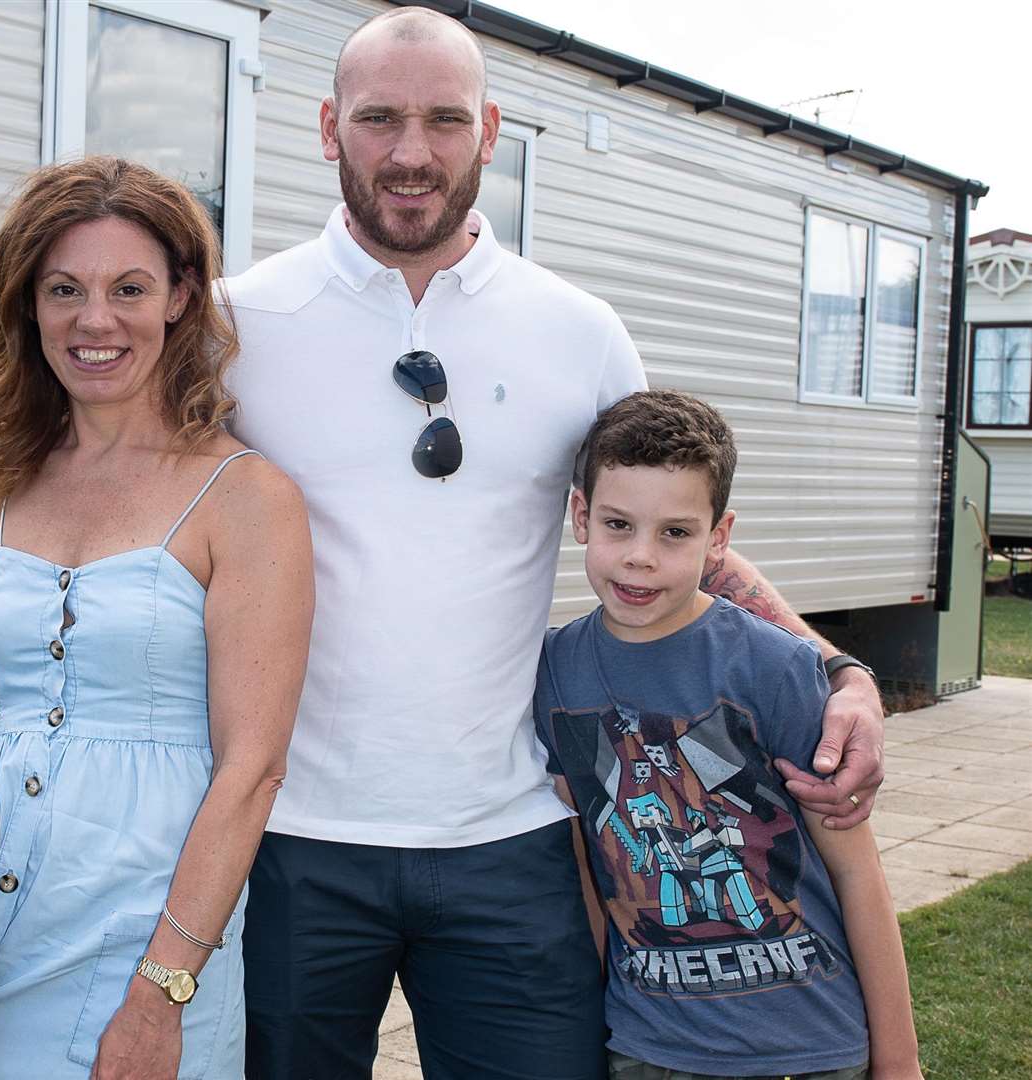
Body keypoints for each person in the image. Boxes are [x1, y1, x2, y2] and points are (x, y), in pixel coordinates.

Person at [222, 7, 887, 1078]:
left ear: (486, 129)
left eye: (442, 120)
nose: (408, 152)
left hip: (514, 837)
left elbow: (679, 537)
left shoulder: (576, 331)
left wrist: (839, 669)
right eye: (377, 118)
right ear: (324, 127)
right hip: (291, 840)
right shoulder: (235, 327)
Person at [0, 157, 313, 1078]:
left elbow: (252, 770)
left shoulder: (246, 498)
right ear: (27, 305)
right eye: (63, 289)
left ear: (181, 298)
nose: (95, 319)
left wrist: (162, 994)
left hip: (145, 929)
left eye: (129, 288)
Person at [536, 390, 920, 1080]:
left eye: (675, 533)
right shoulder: (554, 673)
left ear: (719, 537)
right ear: (580, 517)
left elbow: (855, 870)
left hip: (806, 1050)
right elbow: (587, 876)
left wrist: (898, 1065)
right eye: (618, 525)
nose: (640, 558)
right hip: (645, 1049)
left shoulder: (774, 668)